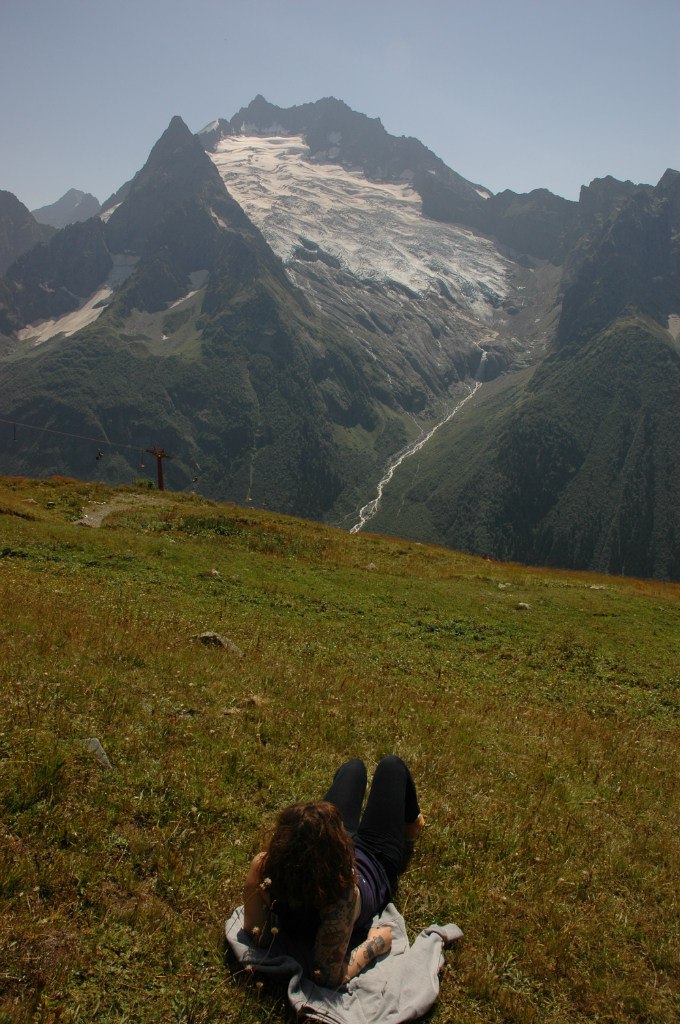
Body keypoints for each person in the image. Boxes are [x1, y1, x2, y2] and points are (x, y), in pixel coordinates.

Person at [242, 755, 426, 988]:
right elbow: (329, 976)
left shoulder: (263, 867)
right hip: (374, 860)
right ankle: (412, 823)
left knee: (354, 767)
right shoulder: (342, 894)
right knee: (391, 766)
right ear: (342, 850)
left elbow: (255, 931)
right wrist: (374, 944)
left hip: (324, 848)